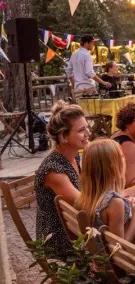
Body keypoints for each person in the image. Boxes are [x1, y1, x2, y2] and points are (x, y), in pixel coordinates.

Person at [34, 101, 89, 256]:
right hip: (61, 241)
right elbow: (83, 204)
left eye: (87, 127)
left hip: (75, 228)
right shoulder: (54, 170)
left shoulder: (74, 157)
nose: (88, 133)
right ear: (64, 136)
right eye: (81, 130)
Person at [76, 139, 135, 242]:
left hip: (95, 253)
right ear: (113, 166)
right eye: (121, 156)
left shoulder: (84, 198)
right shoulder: (114, 203)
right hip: (110, 257)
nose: (124, 159)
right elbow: (119, 249)